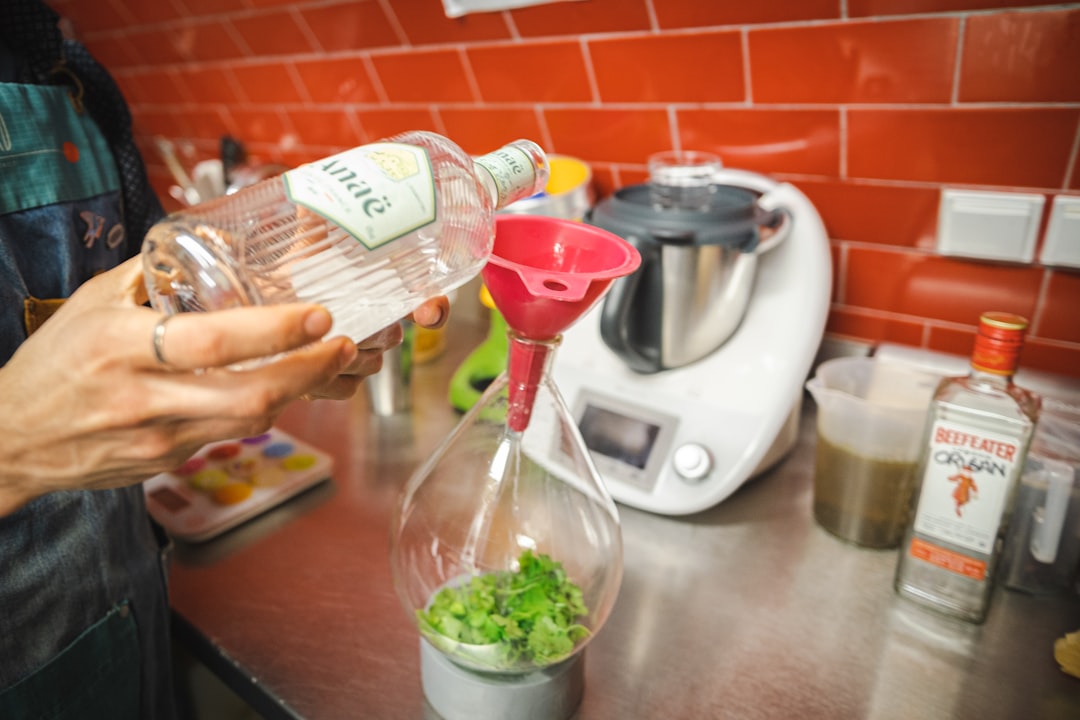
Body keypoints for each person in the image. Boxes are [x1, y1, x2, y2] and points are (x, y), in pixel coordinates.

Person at [0, 2, 448, 718]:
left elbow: (161, 300)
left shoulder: (60, 66)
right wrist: (10, 445)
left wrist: (271, 316)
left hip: (123, 617)